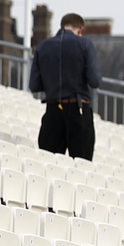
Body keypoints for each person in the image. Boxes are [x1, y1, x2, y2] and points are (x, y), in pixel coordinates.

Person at [30, 12, 101, 160]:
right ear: (80, 30)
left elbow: (34, 85)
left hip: (53, 110)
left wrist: (53, 84)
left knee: (49, 164)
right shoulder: (85, 44)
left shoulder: (43, 47)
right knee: (81, 167)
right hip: (78, 109)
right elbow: (95, 81)